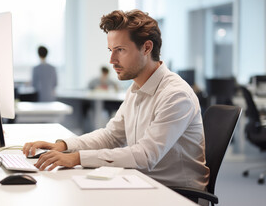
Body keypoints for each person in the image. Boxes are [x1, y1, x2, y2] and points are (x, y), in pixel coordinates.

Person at [23, 10, 209, 190]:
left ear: (147, 47)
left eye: (120, 50)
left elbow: (145, 156)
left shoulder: (175, 95)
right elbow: (111, 136)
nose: (112, 60)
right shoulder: (136, 89)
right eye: (111, 50)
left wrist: (77, 158)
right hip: (141, 182)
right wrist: (63, 146)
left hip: (175, 195)